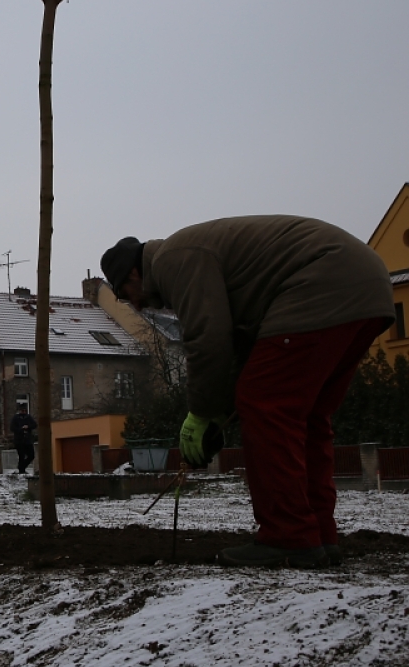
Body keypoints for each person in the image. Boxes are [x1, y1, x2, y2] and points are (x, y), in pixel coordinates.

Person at [101, 215, 394, 568]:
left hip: (321, 284)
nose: (134, 305)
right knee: (308, 416)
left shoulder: (172, 260)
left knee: (266, 406)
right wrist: (220, 417)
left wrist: (199, 413)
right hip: (367, 288)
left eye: (124, 295)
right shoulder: (198, 258)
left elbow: (208, 340)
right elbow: (243, 350)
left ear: (133, 274)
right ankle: (318, 534)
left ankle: (289, 536)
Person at [10, 404, 37, 475]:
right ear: (19, 411)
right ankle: (21, 471)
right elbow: (12, 428)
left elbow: (34, 425)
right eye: (22, 410)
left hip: (28, 440)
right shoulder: (16, 418)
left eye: (25, 410)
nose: (24, 412)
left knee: (31, 455)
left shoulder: (28, 417)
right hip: (19, 441)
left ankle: (21, 467)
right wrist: (21, 429)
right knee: (21, 456)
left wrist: (28, 427)